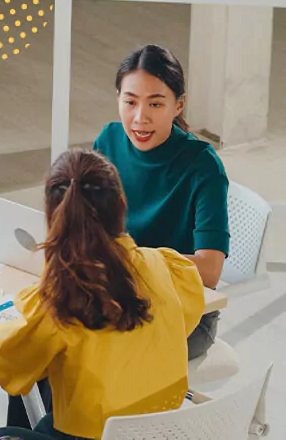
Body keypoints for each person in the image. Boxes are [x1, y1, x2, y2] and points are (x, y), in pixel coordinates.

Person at [0, 148, 206, 440]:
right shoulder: (164, 266)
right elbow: (184, 321)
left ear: (55, 216)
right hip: (163, 429)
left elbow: (8, 365)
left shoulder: (60, 301)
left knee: (3, 434)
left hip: (92, 435)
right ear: (121, 206)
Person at [93, 44, 229, 360]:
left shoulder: (203, 166)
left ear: (178, 105)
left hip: (186, 313)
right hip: (115, 294)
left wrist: (129, 260)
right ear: (118, 99)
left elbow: (209, 271)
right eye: (130, 102)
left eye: (156, 103)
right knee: (41, 342)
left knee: (87, 350)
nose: (140, 118)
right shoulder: (108, 141)